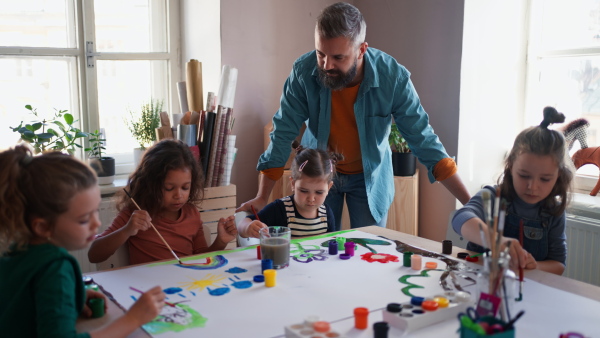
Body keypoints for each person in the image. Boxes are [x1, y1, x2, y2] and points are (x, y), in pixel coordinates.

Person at [236, 2, 470, 230]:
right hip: (318, 173)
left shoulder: (393, 78)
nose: (327, 65)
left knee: (368, 251)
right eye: (321, 54)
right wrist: (262, 196)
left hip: (370, 178)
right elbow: (283, 130)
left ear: (361, 50)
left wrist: (470, 205)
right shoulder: (303, 71)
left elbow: (423, 139)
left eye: (338, 57)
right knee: (317, 250)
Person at [0, 145, 165, 337]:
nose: (96, 223)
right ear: (43, 227)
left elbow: (23, 300)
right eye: (84, 219)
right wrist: (132, 320)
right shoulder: (55, 268)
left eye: (96, 211)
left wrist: (74, 295)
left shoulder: (15, 251)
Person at [452, 107, 573, 275]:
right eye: (524, 175)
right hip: (479, 285)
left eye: (545, 179)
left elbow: (558, 265)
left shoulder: (554, 212)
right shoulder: (493, 197)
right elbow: (460, 219)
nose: (533, 186)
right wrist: (496, 242)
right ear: (510, 167)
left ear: (558, 176)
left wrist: (534, 265)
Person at [88, 139, 237, 265]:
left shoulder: (192, 214)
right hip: (148, 290)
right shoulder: (135, 214)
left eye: (185, 187)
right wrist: (127, 230)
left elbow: (200, 258)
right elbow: (94, 255)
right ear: (150, 184)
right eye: (169, 188)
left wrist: (221, 241)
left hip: (183, 287)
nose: (178, 195)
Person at [238, 141, 341, 238]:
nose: (311, 199)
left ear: (328, 188)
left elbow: (329, 244)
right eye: (304, 191)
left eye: (319, 192)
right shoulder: (279, 209)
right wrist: (247, 228)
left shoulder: (326, 213)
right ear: (293, 183)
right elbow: (243, 223)